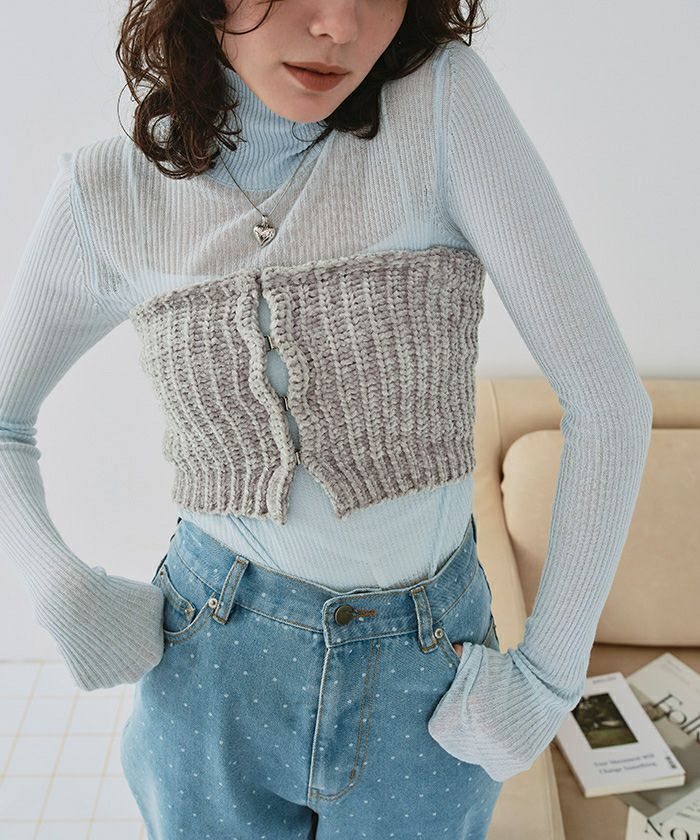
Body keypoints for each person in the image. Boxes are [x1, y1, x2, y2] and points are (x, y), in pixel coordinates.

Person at [0, 0, 653, 836]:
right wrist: (59, 588)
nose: (340, 25)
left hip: (428, 675)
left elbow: (608, 405)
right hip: (210, 668)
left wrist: (550, 678)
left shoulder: (442, 107)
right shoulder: (107, 192)